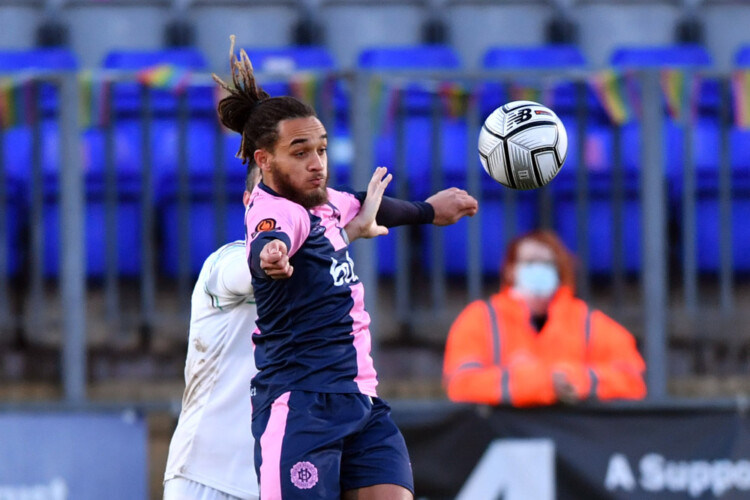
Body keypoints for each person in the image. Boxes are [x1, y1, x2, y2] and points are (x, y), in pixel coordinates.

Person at [165, 36, 479, 500]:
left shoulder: (324, 219)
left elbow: (349, 213)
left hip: (344, 405)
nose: (316, 166)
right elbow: (258, 260)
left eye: (322, 150)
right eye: (300, 154)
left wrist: (426, 211)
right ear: (253, 192)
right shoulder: (225, 262)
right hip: (214, 476)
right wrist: (270, 256)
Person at [443, 229, 647, 407]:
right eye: (530, 262)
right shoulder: (480, 319)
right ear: (511, 271)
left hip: (571, 435)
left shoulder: (588, 322)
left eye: (548, 264)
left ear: (559, 271)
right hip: (504, 433)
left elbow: (632, 380)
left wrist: (576, 380)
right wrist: (544, 383)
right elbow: (460, 384)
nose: (539, 269)